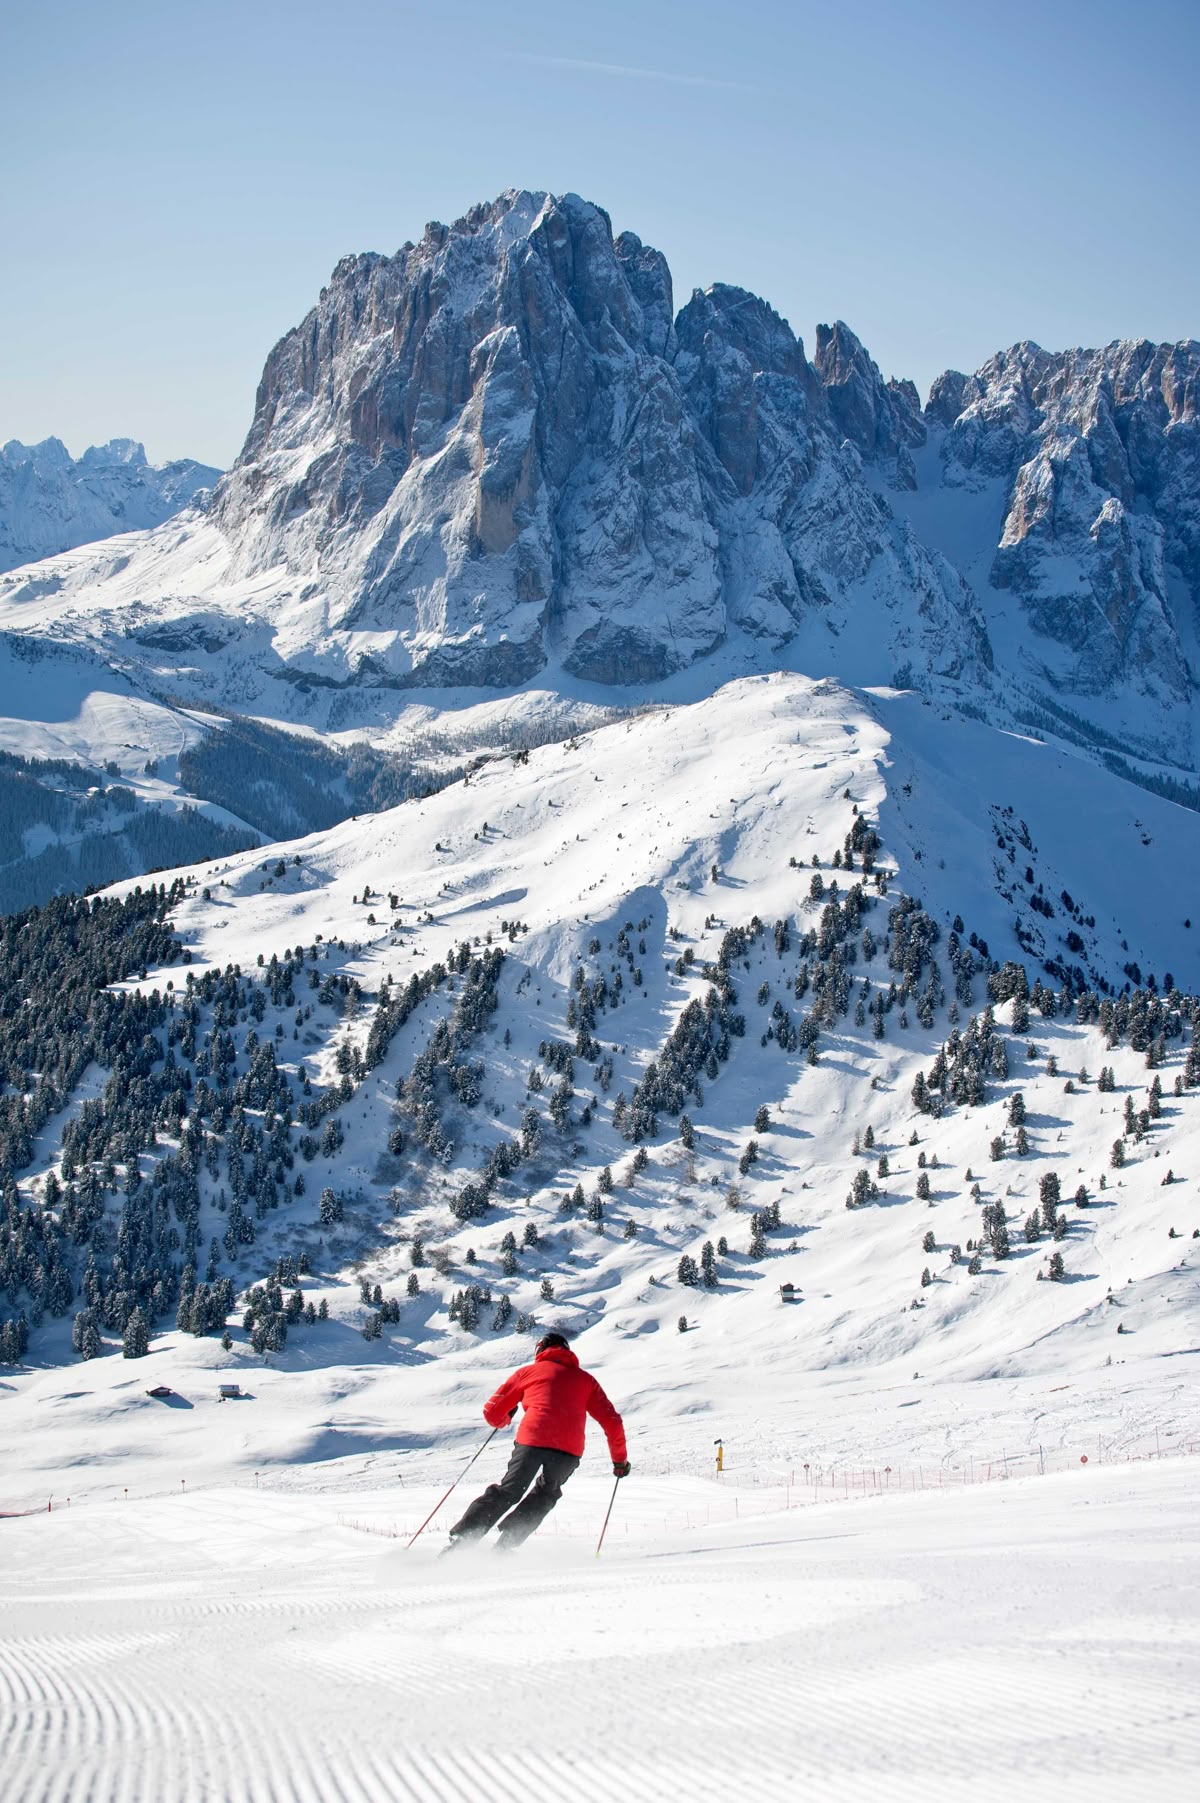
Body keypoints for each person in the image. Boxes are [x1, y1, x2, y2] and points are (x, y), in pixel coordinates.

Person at [447, 1331, 629, 1550]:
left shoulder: (527, 1373)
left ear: (540, 1351)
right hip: (568, 1449)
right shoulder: (587, 1381)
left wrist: (505, 1418)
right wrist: (619, 1461)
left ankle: (464, 1538)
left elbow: (491, 1412)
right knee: (546, 1493)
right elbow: (613, 1422)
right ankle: (505, 1546)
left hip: (532, 1439)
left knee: (509, 1490)